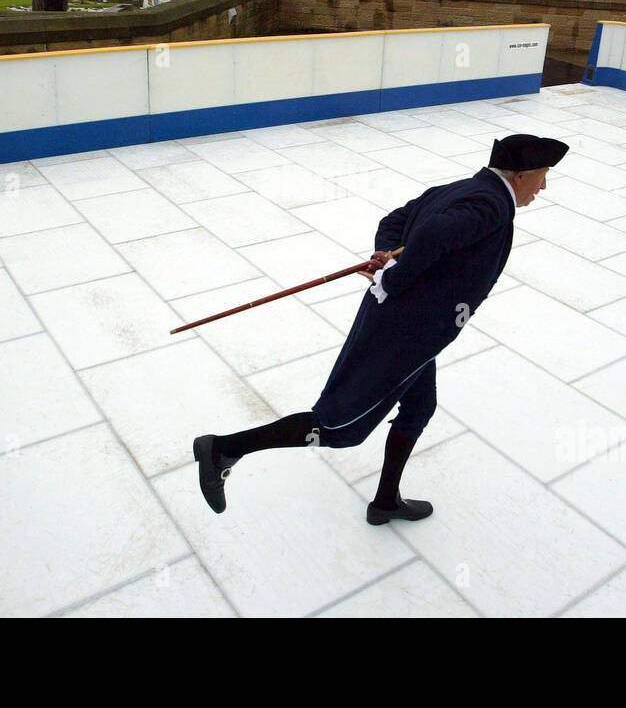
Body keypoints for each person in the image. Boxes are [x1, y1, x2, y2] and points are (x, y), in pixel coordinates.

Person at [192, 133, 569, 524]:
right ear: (522, 175)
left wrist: (386, 257)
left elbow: (396, 221)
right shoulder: (491, 205)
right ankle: (222, 449)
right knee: (339, 427)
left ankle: (386, 500)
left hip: (416, 332)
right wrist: (394, 278)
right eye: (542, 176)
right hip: (404, 333)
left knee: (419, 406)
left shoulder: (465, 188)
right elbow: (434, 234)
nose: (543, 186)